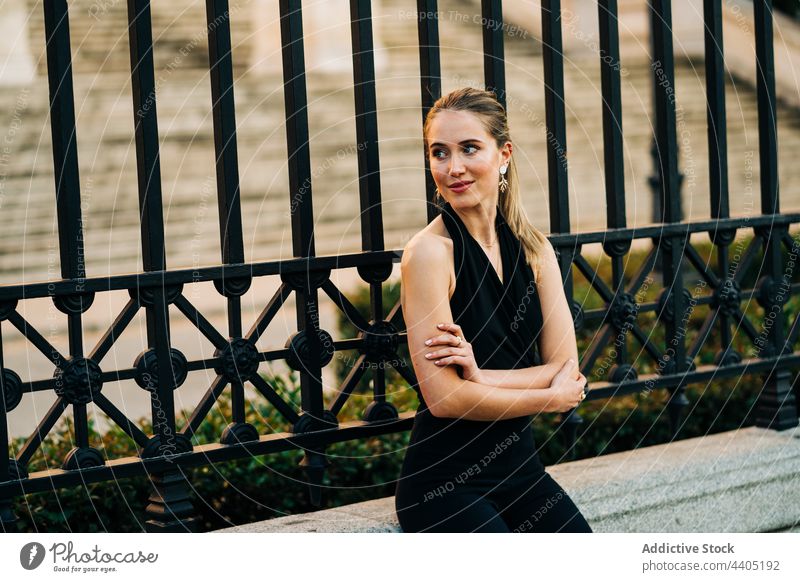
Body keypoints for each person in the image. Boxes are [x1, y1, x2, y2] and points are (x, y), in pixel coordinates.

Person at [394, 87, 592, 533]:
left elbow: (567, 365)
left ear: (504, 154)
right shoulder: (429, 253)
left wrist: (479, 377)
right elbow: (446, 400)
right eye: (439, 153)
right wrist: (547, 398)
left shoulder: (534, 247)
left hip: (522, 475)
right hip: (444, 486)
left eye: (469, 149)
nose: (453, 168)